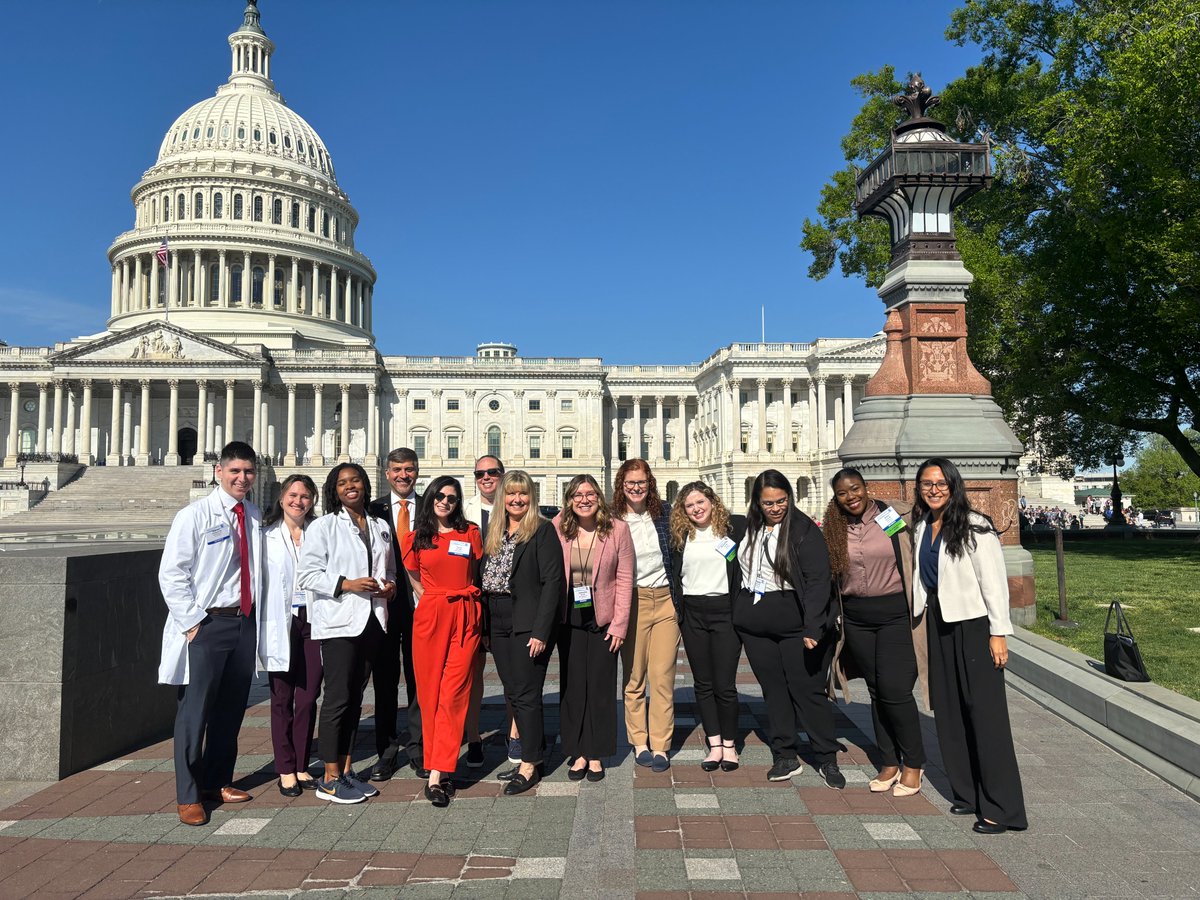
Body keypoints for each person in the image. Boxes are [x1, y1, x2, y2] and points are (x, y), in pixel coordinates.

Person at [912, 457, 1027, 834]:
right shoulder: (923, 525)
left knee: (985, 715)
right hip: (938, 622)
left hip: (974, 625)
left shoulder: (976, 526)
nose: (934, 489)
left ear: (954, 486)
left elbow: (994, 583)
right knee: (949, 711)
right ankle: (967, 793)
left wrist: (999, 632)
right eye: (927, 483)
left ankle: (1002, 808)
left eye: (941, 483)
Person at [159, 441, 264, 827]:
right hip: (207, 623)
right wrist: (192, 622)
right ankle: (188, 794)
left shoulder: (252, 514)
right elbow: (172, 573)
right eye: (235, 471)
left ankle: (217, 780)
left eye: (248, 472)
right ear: (219, 471)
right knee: (194, 711)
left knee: (230, 709)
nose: (242, 478)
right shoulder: (195, 515)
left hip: (242, 622)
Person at [734, 469, 844, 788]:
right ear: (757, 501)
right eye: (768, 502)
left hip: (794, 620)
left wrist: (813, 626)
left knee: (807, 690)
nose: (776, 507)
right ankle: (785, 754)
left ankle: (826, 756)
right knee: (774, 691)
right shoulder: (747, 527)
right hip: (755, 623)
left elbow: (818, 581)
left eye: (781, 501)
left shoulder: (802, 530)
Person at [823, 468, 927, 796]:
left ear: (866, 488)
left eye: (855, 489)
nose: (851, 496)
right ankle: (889, 762)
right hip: (857, 618)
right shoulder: (835, 528)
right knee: (876, 690)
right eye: (842, 493)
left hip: (896, 614)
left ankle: (913, 763)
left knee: (896, 690)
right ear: (836, 497)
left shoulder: (891, 516)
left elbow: (915, 549)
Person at [298, 463, 396, 805]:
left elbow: (390, 570)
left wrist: (391, 588)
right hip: (340, 622)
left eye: (355, 481)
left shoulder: (380, 526)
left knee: (356, 698)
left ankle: (348, 769)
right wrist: (346, 584)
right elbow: (307, 575)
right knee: (338, 698)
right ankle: (329, 776)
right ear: (334, 490)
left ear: (365, 486)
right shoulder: (324, 527)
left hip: (372, 620)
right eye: (342, 483)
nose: (350, 486)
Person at [402, 475, 483, 807]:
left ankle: (439, 770)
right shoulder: (415, 538)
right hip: (432, 615)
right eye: (440, 495)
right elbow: (411, 574)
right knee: (430, 695)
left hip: (465, 615)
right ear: (430, 497)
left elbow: (475, 572)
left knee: (454, 694)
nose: (445, 501)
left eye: (452, 497)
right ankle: (437, 772)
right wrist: (426, 596)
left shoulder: (471, 533)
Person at [481, 470, 564, 795]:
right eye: (511, 494)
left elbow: (553, 583)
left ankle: (530, 763)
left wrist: (541, 631)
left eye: (523, 494)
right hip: (498, 618)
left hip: (527, 621)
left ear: (532, 497)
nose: (517, 499)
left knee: (528, 695)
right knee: (513, 692)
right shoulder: (495, 530)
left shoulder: (542, 531)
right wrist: (486, 626)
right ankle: (532, 753)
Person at [554, 474, 633, 782]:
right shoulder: (560, 529)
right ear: (569, 499)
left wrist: (620, 624)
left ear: (599, 497)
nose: (584, 500)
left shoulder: (617, 530)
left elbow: (625, 579)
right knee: (573, 687)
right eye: (577, 495)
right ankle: (578, 751)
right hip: (569, 617)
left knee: (600, 687)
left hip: (603, 619)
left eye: (589, 494)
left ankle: (597, 752)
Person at [668, 481, 746, 772]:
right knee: (702, 683)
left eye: (701, 502)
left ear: (712, 502)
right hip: (693, 612)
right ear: (682, 511)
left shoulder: (733, 529)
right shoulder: (681, 536)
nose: (696, 509)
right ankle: (714, 745)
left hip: (725, 610)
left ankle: (730, 744)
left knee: (724, 684)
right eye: (689, 505)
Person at [612, 459, 679, 772]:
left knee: (662, 676)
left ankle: (661, 745)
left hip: (666, 600)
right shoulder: (612, 518)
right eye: (630, 483)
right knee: (634, 677)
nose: (636, 488)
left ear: (650, 483)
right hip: (632, 601)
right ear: (621, 486)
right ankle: (639, 741)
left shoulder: (665, 513)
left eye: (641, 482)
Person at [261, 473, 322, 797]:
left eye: (305, 496)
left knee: (309, 696)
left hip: (313, 620)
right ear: (282, 497)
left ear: (313, 501)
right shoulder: (266, 535)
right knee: (281, 698)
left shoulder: (320, 532)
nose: (298, 501)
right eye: (293, 495)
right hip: (280, 622)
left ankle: (301, 763)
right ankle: (285, 768)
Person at [366, 448, 423, 780]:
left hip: (419, 606)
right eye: (398, 469)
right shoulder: (374, 510)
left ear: (416, 472)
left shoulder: (430, 508)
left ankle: (418, 747)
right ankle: (386, 751)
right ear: (387, 474)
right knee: (385, 682)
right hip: (384, 606)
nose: (404, 475)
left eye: (410, 469)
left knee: (418, 680)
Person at [462, 454, 506, 768]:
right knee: (472, 676)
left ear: (502, 475)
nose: (486, 478)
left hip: (506, 603)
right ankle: (474, 736)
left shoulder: (518, 507)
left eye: (492, 472)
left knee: (514, 676)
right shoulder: (463, 511)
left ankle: (517, 734)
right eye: (480, 474)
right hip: (474, 601)